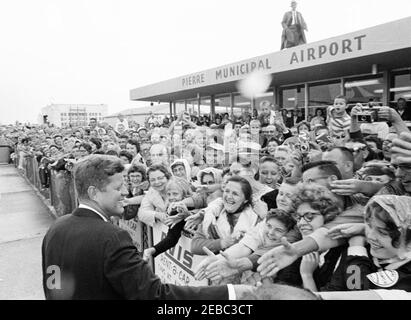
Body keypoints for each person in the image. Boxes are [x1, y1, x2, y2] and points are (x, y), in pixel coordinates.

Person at [42, 155, 250, 299]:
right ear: (94, 192)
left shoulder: (56, 228)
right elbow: (155, 296)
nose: (125, 192)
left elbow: (54, 287)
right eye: (118, 187)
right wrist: (230, 293)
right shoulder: (112, 237)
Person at [191, 176, 259, 255]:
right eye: (227, 191)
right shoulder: (213, 213)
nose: (229, 197)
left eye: (235, 194)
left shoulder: (255, 219)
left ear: (245, 200)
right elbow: (195, 245)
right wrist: (222, 243)